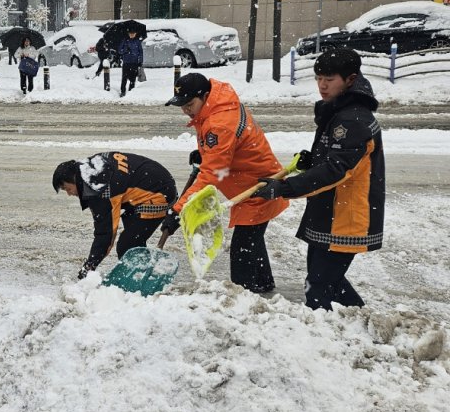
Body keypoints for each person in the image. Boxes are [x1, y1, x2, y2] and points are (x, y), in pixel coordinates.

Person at [252, 47, 385, 311]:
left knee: (318, 285)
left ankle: (324, 334)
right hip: (331, 209)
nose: (322, 85)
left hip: (346, 214)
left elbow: (337, 170)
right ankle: (360, 320)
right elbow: (333, 159)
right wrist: (310, 161)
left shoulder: (352, 119)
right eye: (318, 78)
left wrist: (283, 188)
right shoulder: (342, 109)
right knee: (329, 280)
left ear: (350, 79)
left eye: (329, 79)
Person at [161, 73, 288, 294]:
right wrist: (206, 152)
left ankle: (243, 298)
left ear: (205, 95)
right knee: (252, 242)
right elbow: (227, 149)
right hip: (254, 181)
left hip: (257, 189)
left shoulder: (220, 123)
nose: (185, 110)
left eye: (189, 104)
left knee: (242, 250)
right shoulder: (221, 103)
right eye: (181, 105)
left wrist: (178, 210)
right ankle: (263, 284)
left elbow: (211, 174)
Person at [53, 152, 177, 279]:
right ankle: (140, 268)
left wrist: (89, 267)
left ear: (74, 179)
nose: (69, 194)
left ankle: (135, 280)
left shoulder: (100, 190)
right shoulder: (92, 169)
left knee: (127, 244)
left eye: (67, 188)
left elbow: (105, 235)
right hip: (152, 183)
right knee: (133, 233)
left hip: (159, 194)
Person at [117, 28, 143, 97]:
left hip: (134, 63)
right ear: (128, 34)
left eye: (133, 33)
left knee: (133, 78)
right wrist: (125, 50)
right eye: (130, 33)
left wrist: (140, 61)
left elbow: (140, 52)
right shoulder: (125, 41)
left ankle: (131, 92)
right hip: (126, 63)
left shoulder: (137, 42)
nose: (132, 35)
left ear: (135, 34)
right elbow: (119, 50)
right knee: (124, 78)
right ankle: (123, 91)